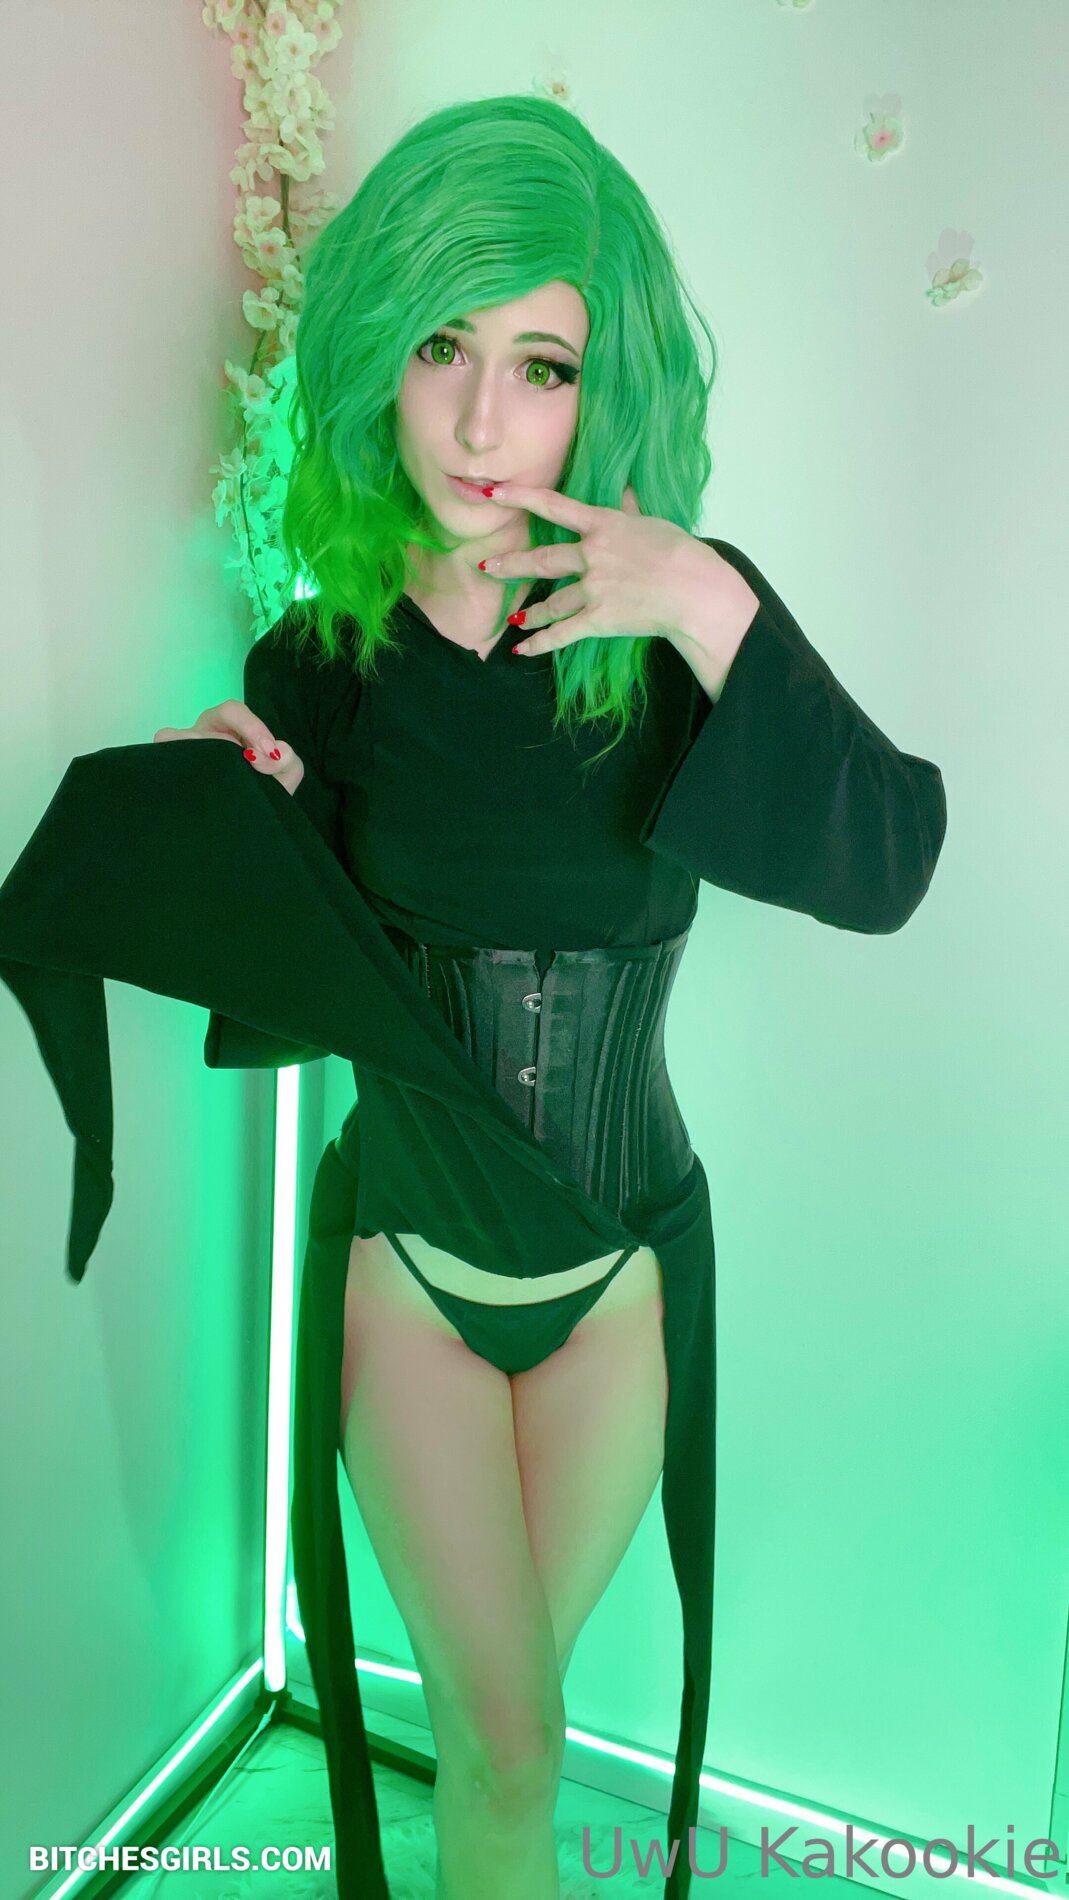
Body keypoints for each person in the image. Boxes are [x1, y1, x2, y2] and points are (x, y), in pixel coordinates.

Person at [6, 92, 947, 1900]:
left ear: (610, 388)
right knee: (506, 1747)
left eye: (542, 366)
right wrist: (249, 825)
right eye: (442, 347)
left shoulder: (672, 644)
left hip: (618, 1283)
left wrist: (702, 595)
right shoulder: (325, 655)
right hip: (412, 1278)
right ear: (382, 349)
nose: (481, 420)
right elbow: (302, 997)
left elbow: (887, 861)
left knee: (510, 1732)